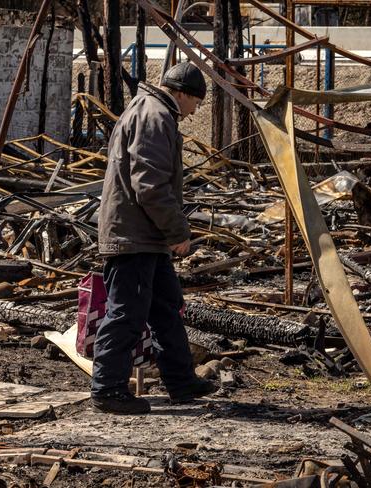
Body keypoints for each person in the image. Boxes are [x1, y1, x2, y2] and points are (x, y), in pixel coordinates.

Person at [92, 62, 217, 414]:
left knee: (166, 308)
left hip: (144, 234)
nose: (195, 111)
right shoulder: (155, 115)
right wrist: (177, 231)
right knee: (127, 313)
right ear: (181, 93)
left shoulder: (149, 109)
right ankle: (108, 389)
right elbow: (149, 184)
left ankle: (181, 381)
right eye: (196, 102)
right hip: (135, 236)